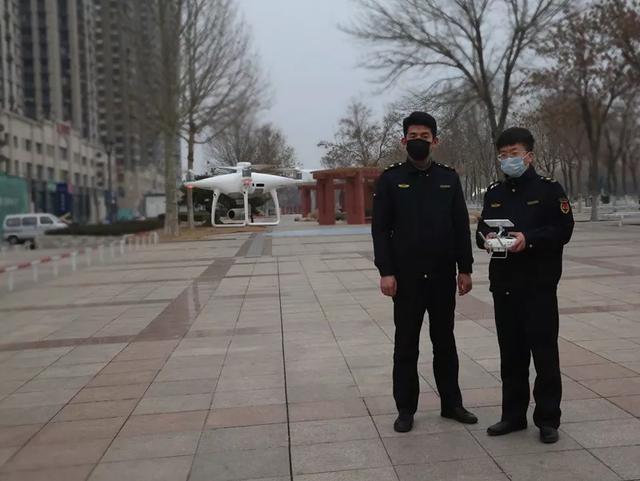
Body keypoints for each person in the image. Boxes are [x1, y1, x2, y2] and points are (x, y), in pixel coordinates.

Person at [372, 111, 477, 433]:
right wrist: (386, 271)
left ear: (436, 140)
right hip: (406, 279)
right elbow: (380, 230)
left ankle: (451, 404)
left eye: (425, 137)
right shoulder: (390, 179)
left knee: (445, 342)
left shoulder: (448, 178)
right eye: (413, 137)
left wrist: (465, 268)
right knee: (406, 345)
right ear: (403, 141)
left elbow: (460, 226)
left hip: (442, 275)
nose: (419, 142)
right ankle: (406, 409)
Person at [476, 127, 574, 444]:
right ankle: (513, 416)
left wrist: (528, 239)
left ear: (529, 156)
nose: (508, 160)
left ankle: (547, 418)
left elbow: (563, 229)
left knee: (544, 355)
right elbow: (481, 230)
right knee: (511, 355)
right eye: (503, 155)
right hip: (504, 286)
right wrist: (488, 238)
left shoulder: (549, 190)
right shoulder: (494, 193)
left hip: (538, 286)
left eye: (514, 154)